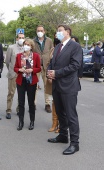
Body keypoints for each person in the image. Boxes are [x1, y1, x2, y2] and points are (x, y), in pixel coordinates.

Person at [47, 24, 82, 155]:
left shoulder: (75, 47)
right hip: (57, 85)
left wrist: (57, 73)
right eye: (57, 31)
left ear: (67, 32)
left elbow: (75, 65)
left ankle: (75, 143)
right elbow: (52, 63)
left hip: (69, 86)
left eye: (60, 31)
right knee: (60, 113)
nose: (58, 33)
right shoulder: (57, 47)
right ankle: (63, 135)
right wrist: (49, 73)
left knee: (71, 115)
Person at [14, 38, 41, 131]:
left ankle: (32, 121)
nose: (26, 46)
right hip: (21, 81)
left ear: (31, 46)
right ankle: (20, 122)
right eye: (25, 44)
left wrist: (32, 70)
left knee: (31, 102)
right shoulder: (18, 56)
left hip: (31, 81)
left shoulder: (36, 56)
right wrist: (19, 70)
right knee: (21, 102)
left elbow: (39, 68)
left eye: (28, 44)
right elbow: (15, 67)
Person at [33, 25, 53, 113]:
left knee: (47, 85)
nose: (39, 32)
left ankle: (47, 104)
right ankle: (33, 103)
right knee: (34, 86)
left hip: (46, 65)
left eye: (41, 30)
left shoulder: (49, 40)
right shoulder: (33, 41)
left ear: (44, 31)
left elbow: (52, 52)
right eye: (38, 30)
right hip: (36, 66)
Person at [5, 33, 25, 119]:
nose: (21, 39)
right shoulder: (11, 48)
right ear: (17, 38)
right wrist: (12, 70)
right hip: (13, 74)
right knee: (11, 93)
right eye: (20, 37)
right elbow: (7, 61)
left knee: (21, 94)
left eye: (23, 38)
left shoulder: (26, 48)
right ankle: (8, 110)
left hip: (22, 74)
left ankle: (19, 109)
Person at [46, 32, 60, 133]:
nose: (56, 37)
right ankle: (54, 123)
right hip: (52, 79)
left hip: (61, 78)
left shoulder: (68, 48)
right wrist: (48, 75)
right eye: (55, 35)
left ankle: (62, 125)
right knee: (54, 102)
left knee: (62, 103)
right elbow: (48, 64)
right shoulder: (53, 49)